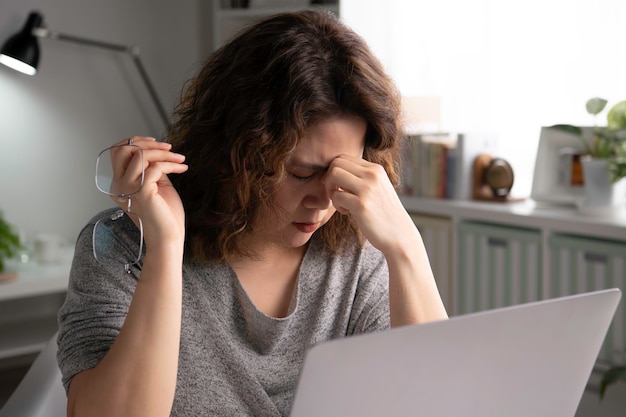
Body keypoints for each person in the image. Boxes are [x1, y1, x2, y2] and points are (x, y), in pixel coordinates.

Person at [56, 10, 448, 417]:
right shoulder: (122, 247)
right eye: (300, 173)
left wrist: (406, 247)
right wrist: (166, 249)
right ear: (236, 153)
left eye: (343, 173)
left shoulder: (357, 257)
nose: (323, 200)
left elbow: (440, 402)